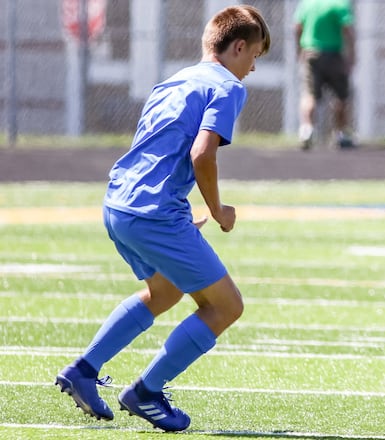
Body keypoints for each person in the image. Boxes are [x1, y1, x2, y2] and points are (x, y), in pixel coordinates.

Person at [54, 5, 271, 432]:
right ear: (238, 47)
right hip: (153, 214)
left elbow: (153, 151)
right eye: (255, 57)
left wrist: (172, 207)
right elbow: (201, 155)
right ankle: (147, 392)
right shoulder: (227, 87)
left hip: (120, 203)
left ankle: (83, 369)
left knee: (165, 291)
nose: (252, 68)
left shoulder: (172, 80)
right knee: (226, 306)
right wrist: (216, 209)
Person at [294, 0, 355, 150]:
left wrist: (299, 49)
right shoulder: (340, 4)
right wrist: (352, 54)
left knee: (309, 94)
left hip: (310, 52)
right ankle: (341, 134)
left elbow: (297, 27)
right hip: (333, 54)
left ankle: (306, 130)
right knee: (341, 96)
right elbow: (348, 29)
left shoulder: (307, 3)